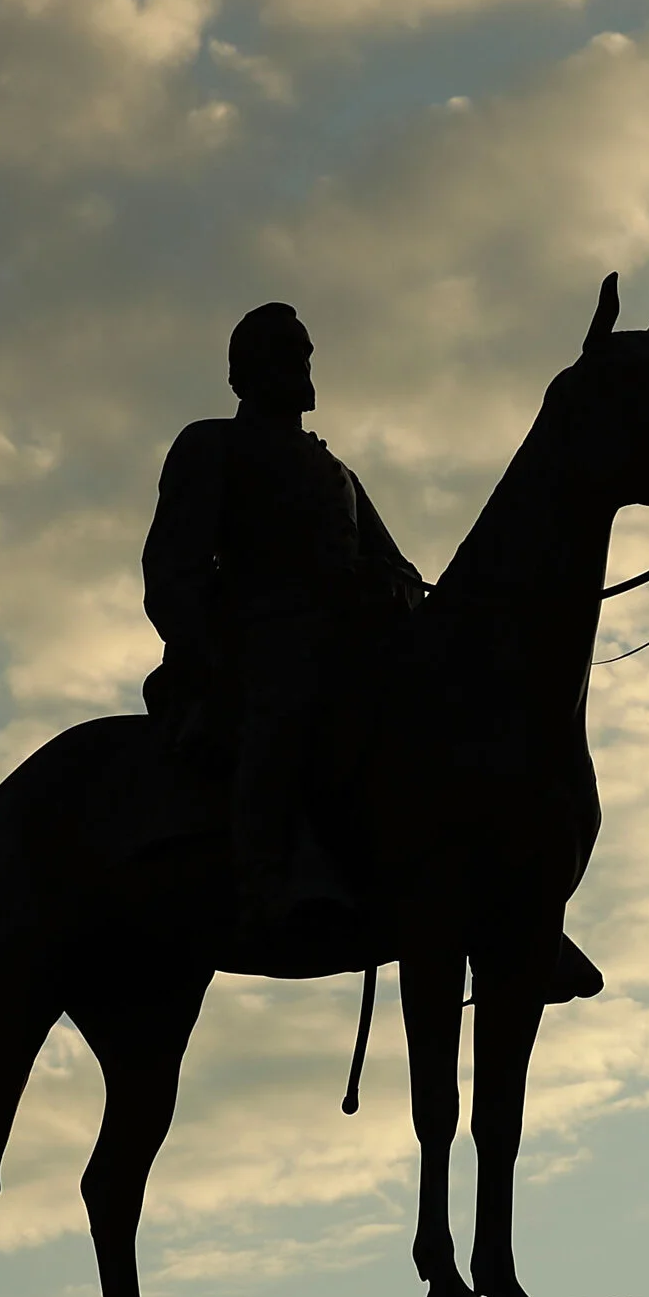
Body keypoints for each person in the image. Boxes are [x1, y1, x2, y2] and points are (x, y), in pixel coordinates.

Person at [141, 303, 423, 942]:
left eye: (302, 352)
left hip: (348, 642)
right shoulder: (211, 444)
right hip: (256, 643)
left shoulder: (336, 472)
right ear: (242, 375)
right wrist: (205, 649)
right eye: (280, 353)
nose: (297, 364)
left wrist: (401, 596)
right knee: (290, 697)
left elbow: (398, 567)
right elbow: (172, 564)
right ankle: (270, 879)